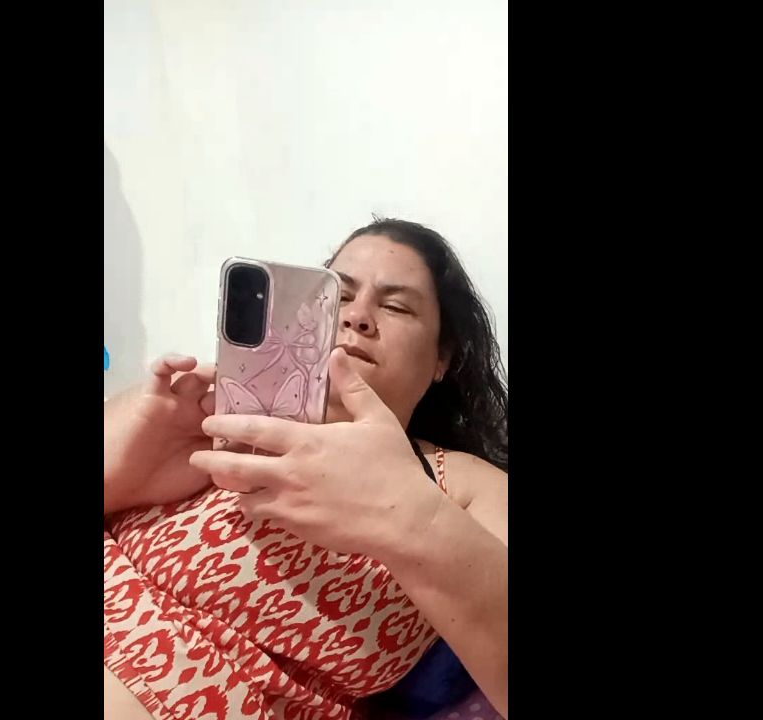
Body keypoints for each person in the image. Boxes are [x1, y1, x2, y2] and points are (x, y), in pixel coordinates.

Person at [104, 219, 508, 719]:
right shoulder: (208, 407)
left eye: (396, 306)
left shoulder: (461, 483)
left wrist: (413, 518)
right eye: (339, 295)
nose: (357, 316)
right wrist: (129, 470)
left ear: (441, 358)